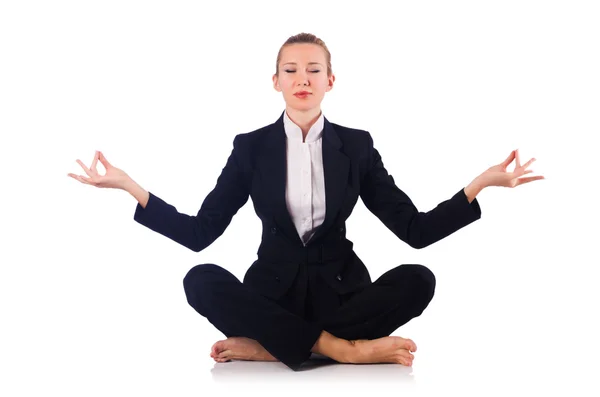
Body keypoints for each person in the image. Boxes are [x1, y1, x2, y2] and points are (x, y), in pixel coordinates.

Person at [68, 32, 544, 371]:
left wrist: (478, 185)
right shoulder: (250, 147)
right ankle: (342, 350)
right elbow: (201, 233)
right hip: (271, 293)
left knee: (419, 279)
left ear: (331, 81)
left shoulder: (356, 146)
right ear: (275, 81)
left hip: (341, 295)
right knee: (201, 279)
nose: (302, 78)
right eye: (290, 70)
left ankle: (273, 348)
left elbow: (413, 231)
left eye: (314, 70)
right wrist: (133, 189)